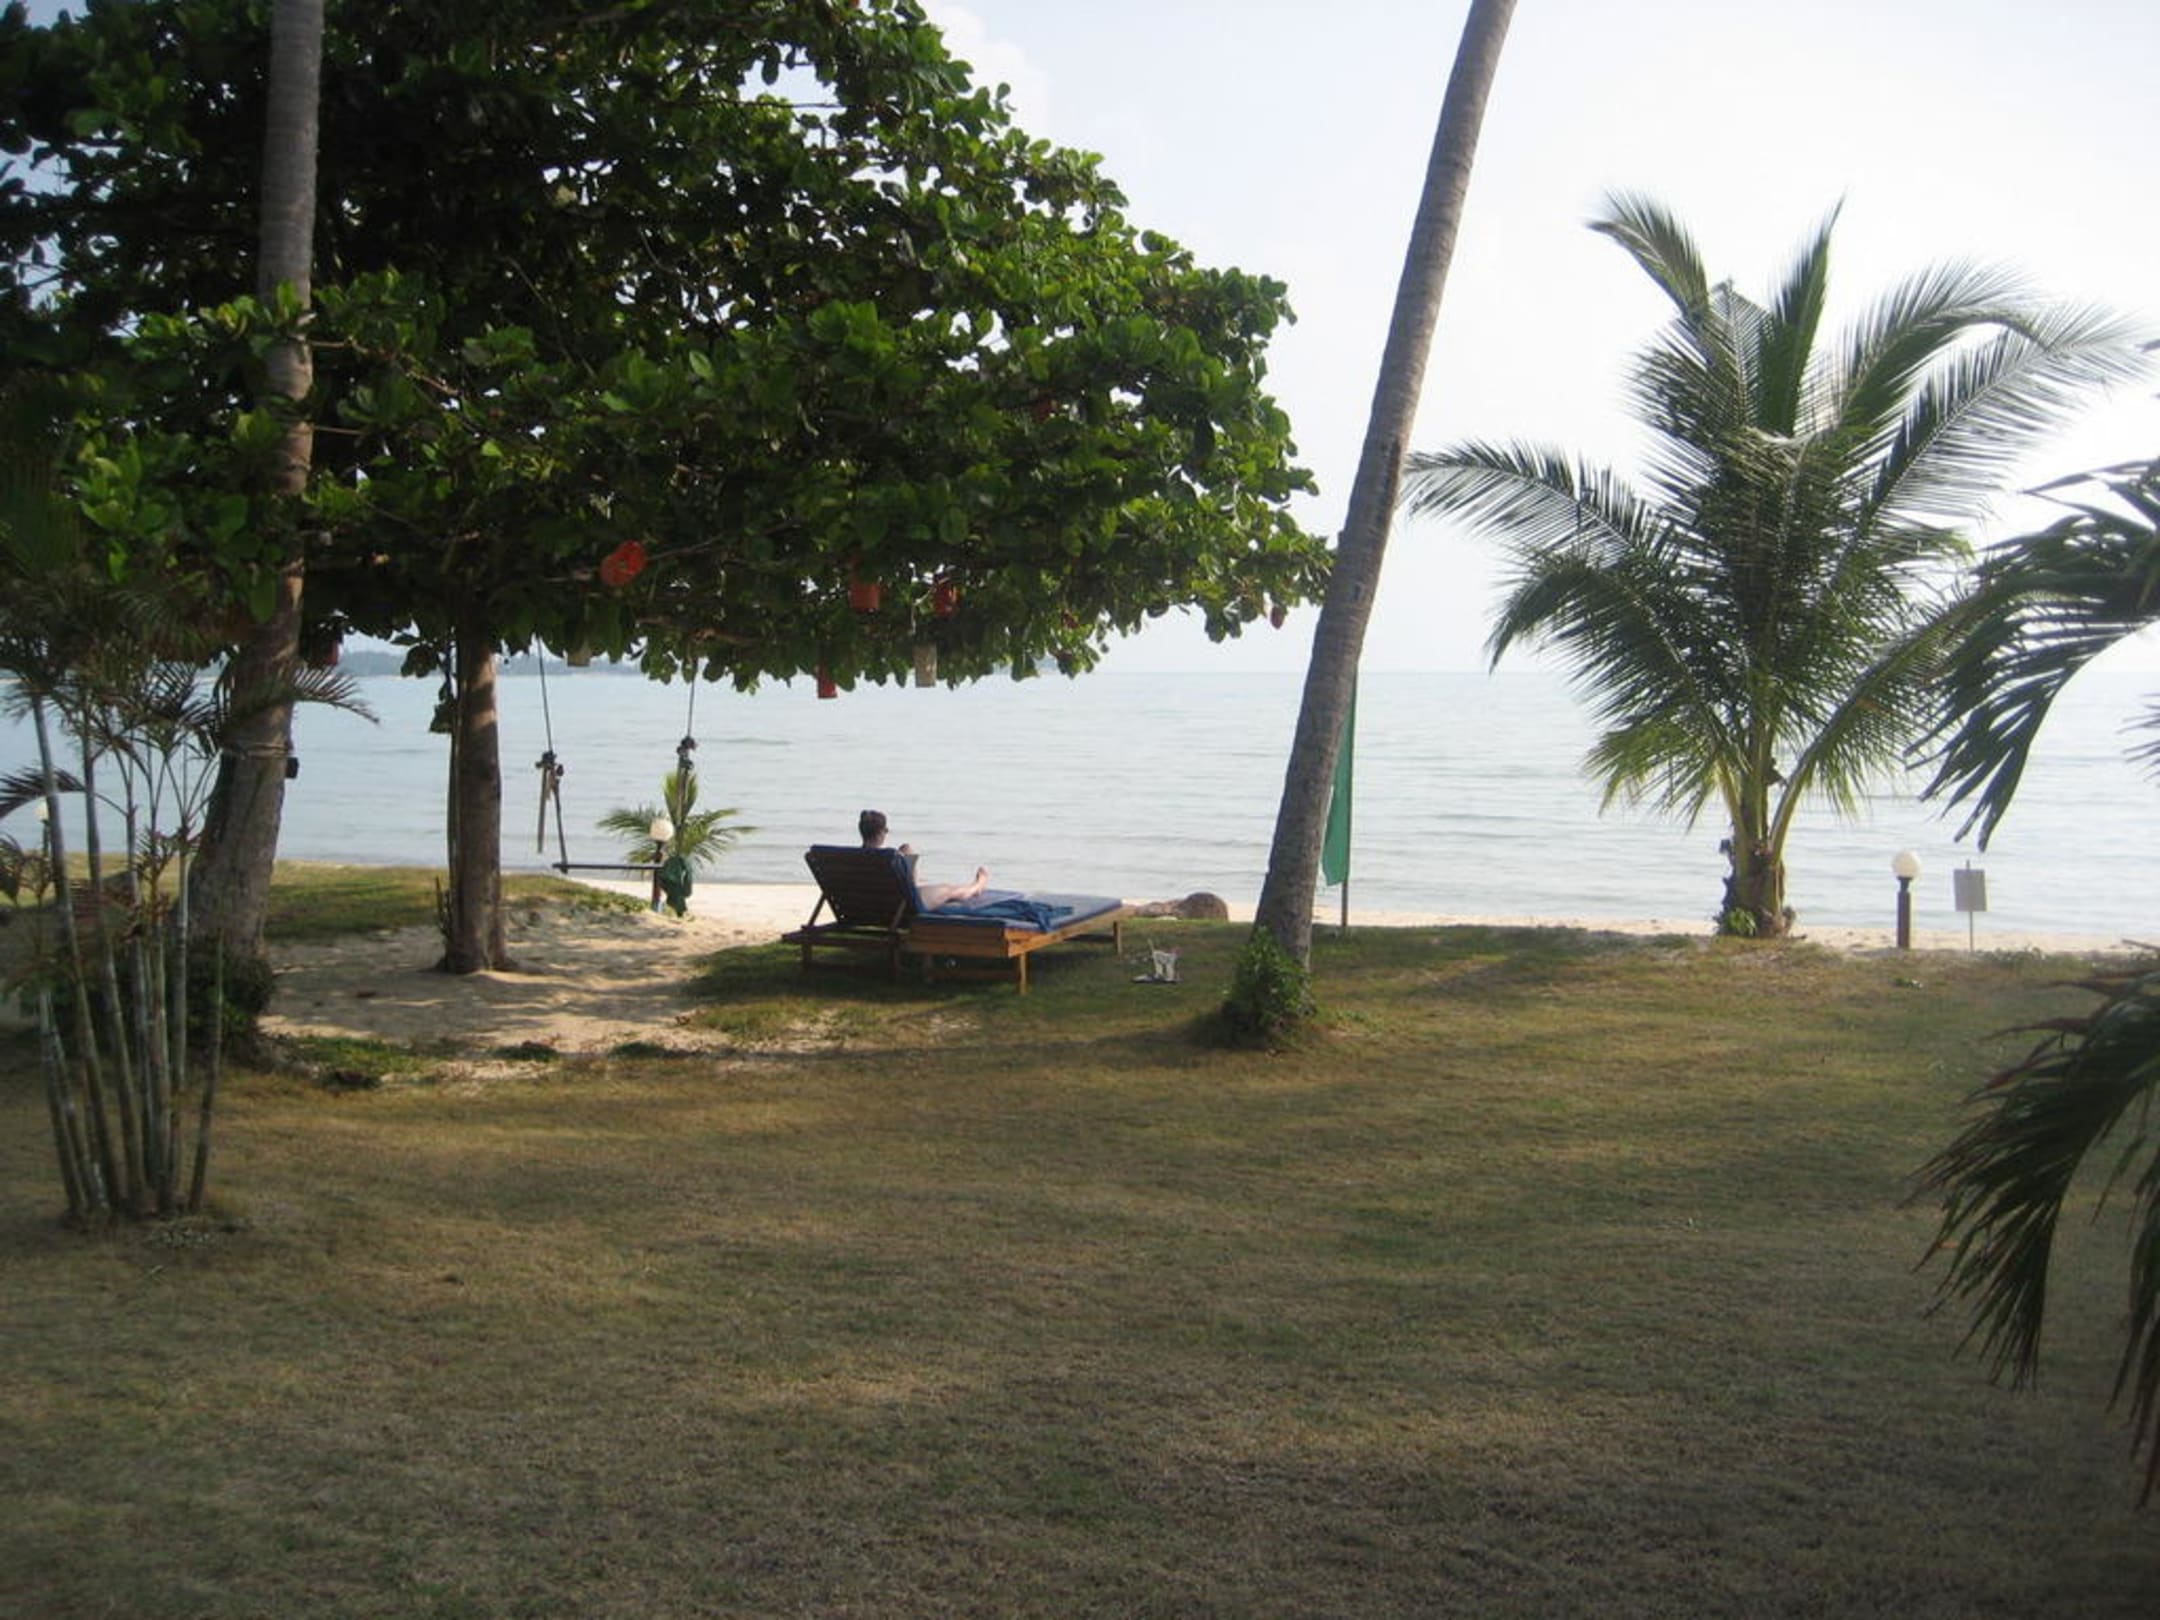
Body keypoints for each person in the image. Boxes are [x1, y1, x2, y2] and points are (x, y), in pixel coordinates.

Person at [858, 808, 989, 909]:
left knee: (905, 849)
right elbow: (908, 887)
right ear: (881, 832)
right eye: (886, 830)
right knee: (949, 890)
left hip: (867, 907)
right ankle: (977, 886)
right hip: (901, 907)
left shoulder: (852, 859)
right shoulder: (889, 858)